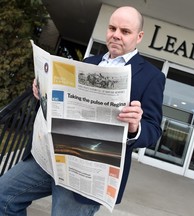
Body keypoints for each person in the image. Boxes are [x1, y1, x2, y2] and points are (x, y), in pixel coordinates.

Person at [0, 6, 165, 216]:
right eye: (112, 28)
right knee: (3, 196)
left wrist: (135, 127)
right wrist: (43, 90)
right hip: (53, 156)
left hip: (88, 174)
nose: (116, 35)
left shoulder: (152, 77)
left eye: (125, 31)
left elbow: (153, 130)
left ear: (139, 36)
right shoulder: (89, 62)